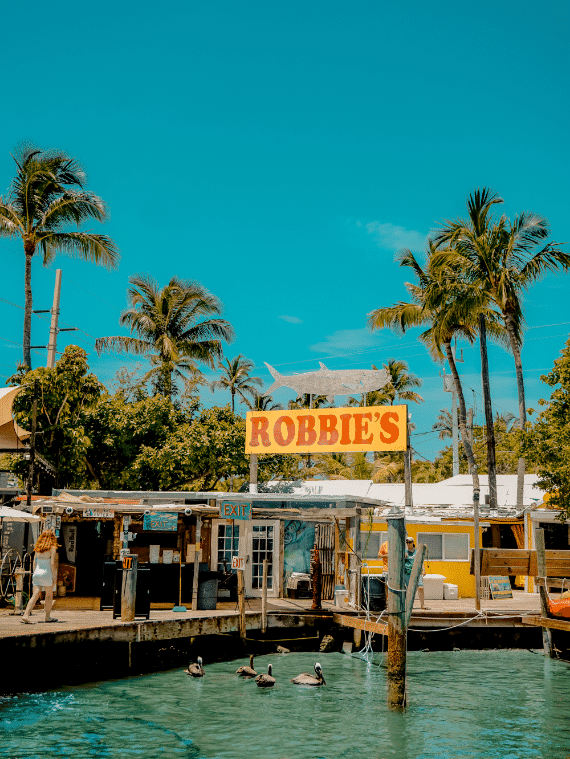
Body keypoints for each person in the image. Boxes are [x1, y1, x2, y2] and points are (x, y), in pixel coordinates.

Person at [21, 529, 59, 624]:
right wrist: (54, 577)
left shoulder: (37, 548)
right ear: (52, 538)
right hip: (47, 573)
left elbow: (34, 562)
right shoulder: (52, 548)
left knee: (35, 595)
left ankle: (25, 615)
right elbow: (52, 563)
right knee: (49, 596)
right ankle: (47, 617)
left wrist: (34, 573)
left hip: (37, 572)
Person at [404, 536, 426, 609]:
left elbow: (421, 561)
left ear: (413, 542)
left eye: (410, 542)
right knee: (409, 589)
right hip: (408, 572)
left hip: (417, 572)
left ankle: (422, 605)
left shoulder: (417, 551)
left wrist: (424, 569)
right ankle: (409, 605)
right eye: (407, 542)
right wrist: (404, 557)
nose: (408, 544)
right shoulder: (405, 551)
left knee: (420, 588)